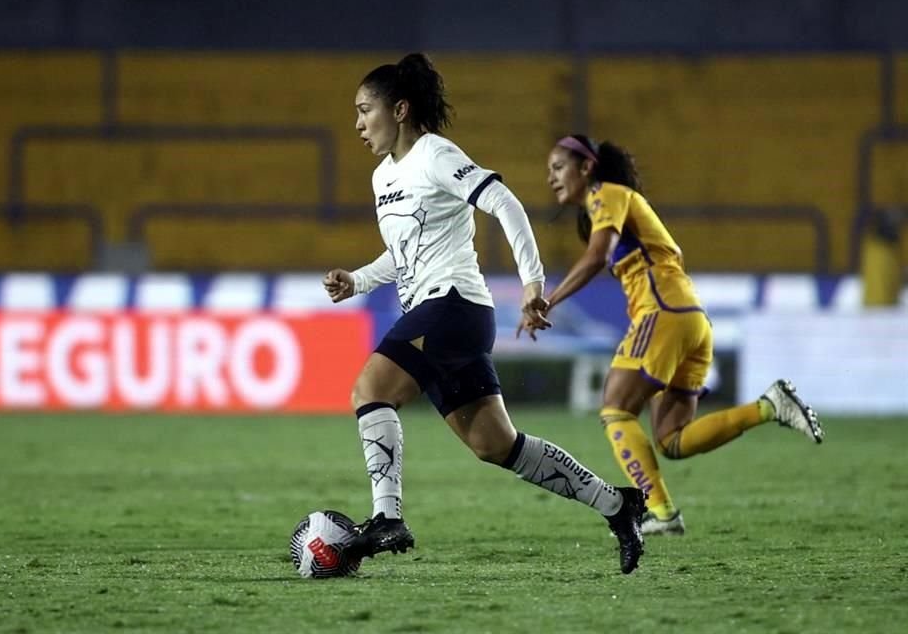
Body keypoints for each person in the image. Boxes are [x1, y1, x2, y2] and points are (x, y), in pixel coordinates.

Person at [323, 55, 647, 574]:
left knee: (370, 389)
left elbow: (505, 202)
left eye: (366, 111)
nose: (359, 124)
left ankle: (387, 516)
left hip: (453, 307)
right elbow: (403, 252)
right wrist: (358, 280)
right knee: (497, 445)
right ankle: (618, 504)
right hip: (441, 314)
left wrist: (533, 283)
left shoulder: (435, 155)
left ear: (400, 110)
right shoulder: (383, 176)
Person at [520, 134, 824, 536]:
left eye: (558, 168)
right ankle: (770, 407)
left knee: (615, 409)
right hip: (691, 318)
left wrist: (549, 299)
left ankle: (661, 513)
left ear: (586, 168)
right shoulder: (613, 203)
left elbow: (596, 256)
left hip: (662, 312)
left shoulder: (607, 193)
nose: (552, 178)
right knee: (671, 439)